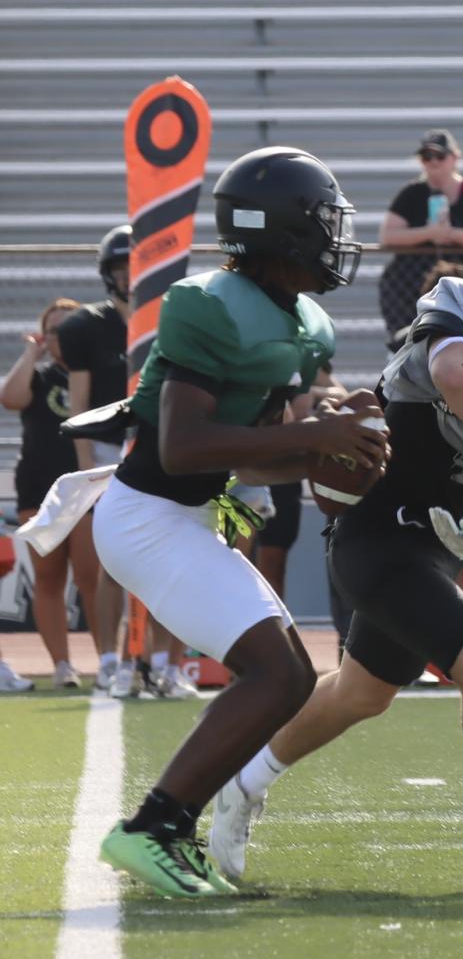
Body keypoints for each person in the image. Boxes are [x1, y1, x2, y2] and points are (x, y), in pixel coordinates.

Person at [212, 208, 463, 884]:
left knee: (359, 694)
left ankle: (242, 784)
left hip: (436, 548)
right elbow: (458, 374)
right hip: (376, 529)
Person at [82, 148, 385, 900]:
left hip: (184, 514)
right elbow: (182, 446)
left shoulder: (303, 323)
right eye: (321, 222)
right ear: (278, 230)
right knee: (278, 673)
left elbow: (253, 458)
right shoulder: (208, 304)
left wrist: (324, 450)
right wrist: (313, 436)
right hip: (146, 516)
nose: (334, 237)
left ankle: (169, 828)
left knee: (287, 679)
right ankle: (152, 827)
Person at [50, 225, 135, 690]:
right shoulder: (87, 326)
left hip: (157, 442)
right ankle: (108, 656)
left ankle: (156, 661)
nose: (128, 275)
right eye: (120, 267)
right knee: (111, 560)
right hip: (106, 447)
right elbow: (79, 402)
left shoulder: (170, 317)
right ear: (109, 274)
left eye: (134, 265)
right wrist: (86, 463)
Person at [2, 297, 88, 692]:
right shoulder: (38, 377)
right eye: (53, 329)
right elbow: (11, 398)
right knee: (49, 578)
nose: (60, 337)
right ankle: (62, 666)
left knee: (94, 578)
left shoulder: (100, 373)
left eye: (68, 327)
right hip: (39, 488)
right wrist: (31, 352)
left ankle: (107, 662)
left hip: (89, 488)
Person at [377, 130, 463, 338]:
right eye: (427, 157)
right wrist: (428, 233)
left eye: (440, 156)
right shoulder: (411, 193)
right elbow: (388, 235)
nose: (434, 162)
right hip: (411, 280)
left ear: (455, 158)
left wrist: (452, 234)